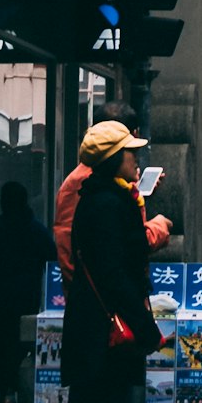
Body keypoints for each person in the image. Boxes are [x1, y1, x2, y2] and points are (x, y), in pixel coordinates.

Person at [59, 121, 161, 403]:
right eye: (130, 152)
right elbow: (116, 276)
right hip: (103, 338)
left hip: (96, 334)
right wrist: (148, 328)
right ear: (112, 159)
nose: (136, 159)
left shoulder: (105, 198)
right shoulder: (106, 204)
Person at [0, 182, 57, 403]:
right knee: (22, 343)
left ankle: (5, 389)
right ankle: (21, 387)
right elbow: (52, 258)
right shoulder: (36, 230)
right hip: (27, 296)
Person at [55, 112, 172, 280]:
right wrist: (159, 228)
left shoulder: (113, 187)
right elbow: (126, 246)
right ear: (114, 155)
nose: (136, 158)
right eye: (131, 151)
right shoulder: (98, 195)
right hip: (99, 296)